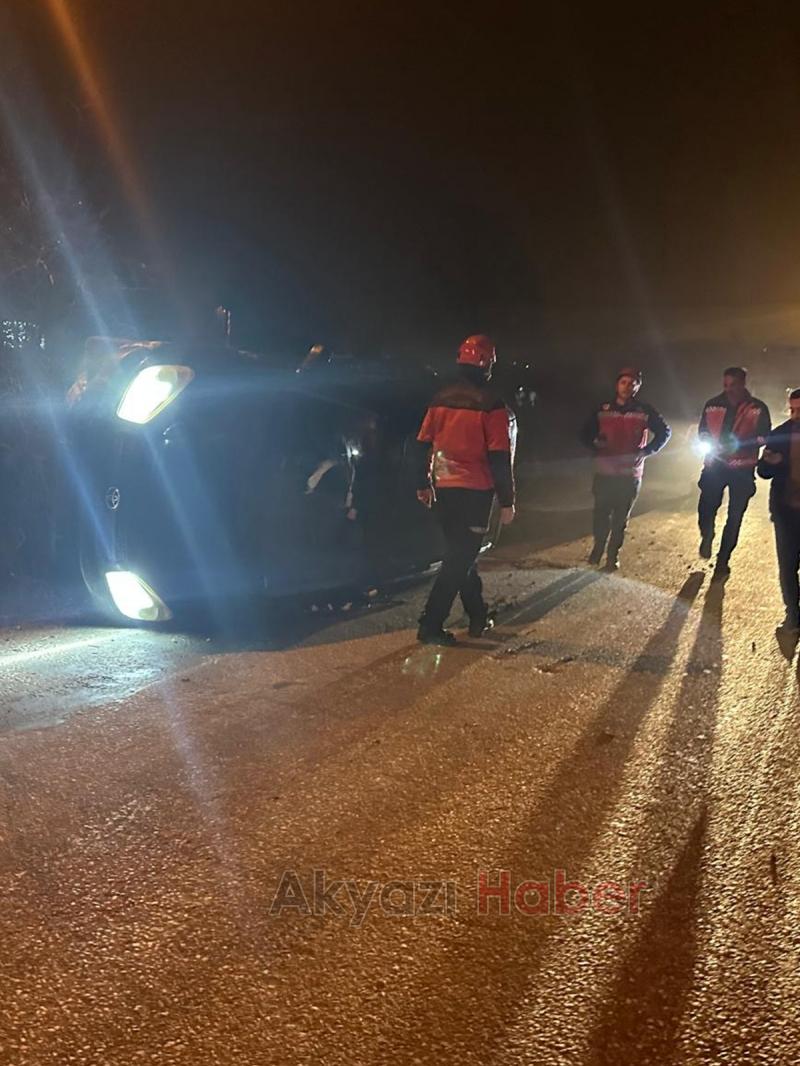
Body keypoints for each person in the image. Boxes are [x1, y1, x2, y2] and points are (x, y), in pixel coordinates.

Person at [414, 334, 516, 645]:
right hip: (475, 492)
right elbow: (500, 456)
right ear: (488, 364)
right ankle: (431, 624)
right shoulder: (492, 404)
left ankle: (478, 616)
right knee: (459, 558)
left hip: (444, 487)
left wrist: (422, 483)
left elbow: (422, 444)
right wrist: (508, 500)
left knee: (461, 554)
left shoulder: (440, 398)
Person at [580, 367, 671, 571]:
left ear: (637, 387)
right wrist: (595, 444)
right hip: (604, 472)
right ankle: (598, 546)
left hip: (630, 474)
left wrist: (647, 450)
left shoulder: (645, 411)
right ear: (617, 385)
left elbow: (665, 431)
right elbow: (584, 433)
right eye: (623, 382)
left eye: (632, 383)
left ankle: (613, 556)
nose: (627, 386)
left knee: (620, 519)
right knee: (600, 515)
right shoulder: (603, 409)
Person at [697, 367, 771, 578]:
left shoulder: (758, 408)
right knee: (706, 508)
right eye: (726, 385)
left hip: (743, 468)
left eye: (734, 385)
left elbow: (764, 435)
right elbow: (702, 430)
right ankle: (707, 535)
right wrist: (706, 441)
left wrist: (742, 445)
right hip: (715, 466)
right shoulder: (712, 404)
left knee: (735, 517)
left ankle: (723, 560)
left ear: (743, 384)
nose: (729, 389)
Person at [757, 389, 800, 633]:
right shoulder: (780, 434)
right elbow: (763, 471)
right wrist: (768, 464)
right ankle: (793, 616)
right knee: (788, 567)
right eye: (792, 410)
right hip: (786, 513)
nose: (795, 415)